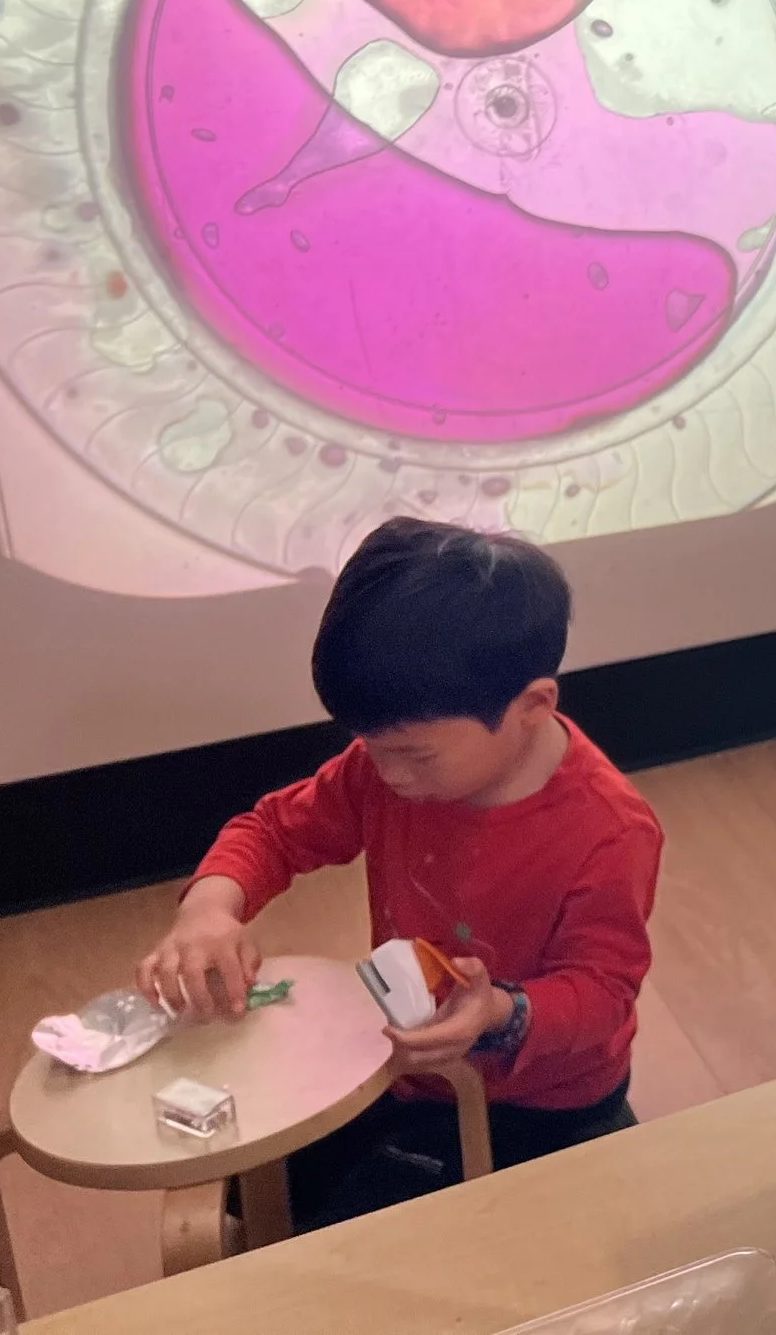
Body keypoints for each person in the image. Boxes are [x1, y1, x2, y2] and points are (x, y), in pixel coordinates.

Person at [138, 518, 664, 1229]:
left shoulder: (608, 830)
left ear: (533, 706)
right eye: (371, 747)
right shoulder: (383, 771)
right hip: (406, 1065)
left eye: (415, 755)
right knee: (262, 1191)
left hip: (540, 1101)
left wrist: (500, 1013)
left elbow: (602, 991)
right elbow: (272, 830)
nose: (387, 773)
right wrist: (208, 909)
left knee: (370, 1238)